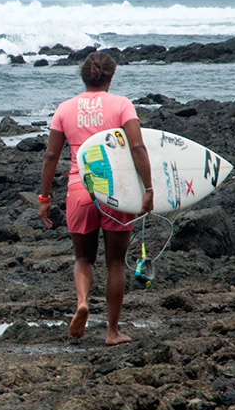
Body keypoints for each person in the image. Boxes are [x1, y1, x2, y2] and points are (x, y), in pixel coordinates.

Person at [37, 52, 153, 346]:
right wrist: (149, 189)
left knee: (83, 258)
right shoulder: (121, 105)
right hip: (115, 192)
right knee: (115, 263)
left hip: (80, 190)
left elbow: (51, 155)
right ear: (110, 77)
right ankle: (112, 332)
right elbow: (137, 147)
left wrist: (44, 197)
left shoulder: (65, 109)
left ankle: (82, 302)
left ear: (83, 76)